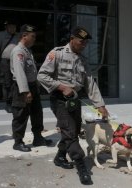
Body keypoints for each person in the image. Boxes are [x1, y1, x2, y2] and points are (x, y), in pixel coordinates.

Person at [37, 26, 109, 185]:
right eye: (81, 42)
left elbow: (90, 83)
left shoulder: (83, 60)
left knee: (74, 131)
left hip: (75, 99)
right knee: (70, 132)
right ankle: (82, 166)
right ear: (72, 39)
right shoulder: (57, 53)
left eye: (86, 43)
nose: (83, 45)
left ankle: (60, 157)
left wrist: (100, 105)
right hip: (60, 99)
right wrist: (62, 87)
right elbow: (41, 75)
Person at [10, 24, 52, 152]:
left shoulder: (27, 51)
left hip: (32, 87)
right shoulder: (18, 51)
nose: (34, 39)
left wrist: (36, 85)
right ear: (24, 36)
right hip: (23, 88)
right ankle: (18, 142)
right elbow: (19, 72)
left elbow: (31, 71)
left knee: (37, 113)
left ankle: (38, 137)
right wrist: (25, 91)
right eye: (32, 36)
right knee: (21, 115)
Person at [0, 19, 19, 113]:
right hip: (5, 62)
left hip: (17, 61)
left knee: (17, 82)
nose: (13, 28)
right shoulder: (1, 35)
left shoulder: (19, 36)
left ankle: (16, 102)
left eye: (14, 26)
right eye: (10, 26)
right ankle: (8, 103)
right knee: (7, 83)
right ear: (6, 27)